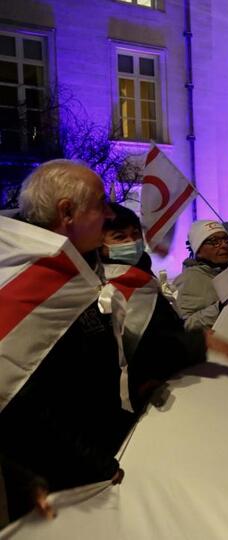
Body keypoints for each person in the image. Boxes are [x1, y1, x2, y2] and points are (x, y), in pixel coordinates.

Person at [1, 160, 124, 523]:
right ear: (67, 212)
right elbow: (23, 404)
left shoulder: (69, 269)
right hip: (56, 490)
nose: (110, 216)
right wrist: (95, 465)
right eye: (101, 205)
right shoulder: (27, 283)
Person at [100, 203, 228, 413]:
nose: (131, 242)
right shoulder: (107, 290)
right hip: (139, 399)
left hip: (172, 380)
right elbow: (154, 342)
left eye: (135, 234)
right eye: (119, 237)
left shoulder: (143, 279)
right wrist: (201, 338)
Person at [174, 220, 228, 332]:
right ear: (199, 249)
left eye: (226, 239)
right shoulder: (187, 279)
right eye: (215, 241)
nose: (224, 245)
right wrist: (219, 308)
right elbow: (185, 325)